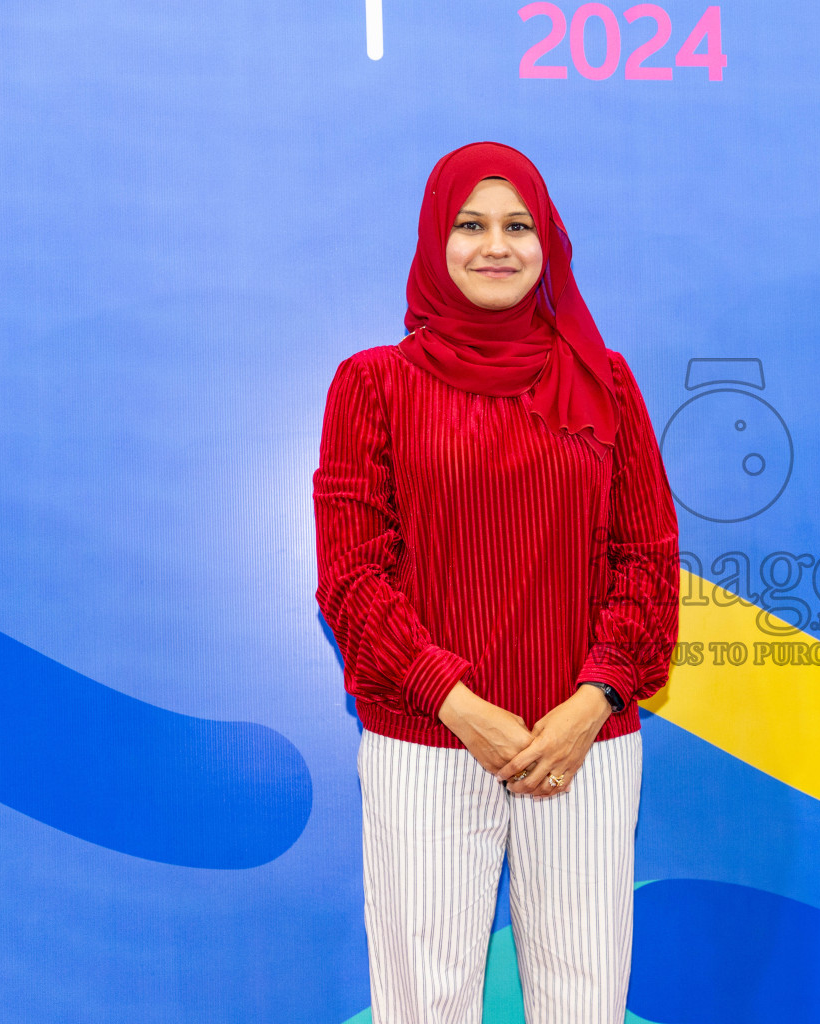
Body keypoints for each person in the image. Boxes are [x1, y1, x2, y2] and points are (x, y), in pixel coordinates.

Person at [313, 142, 678, 1024]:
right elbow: (352, 578)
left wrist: (591, 702)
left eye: (518, 226)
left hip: (583, 745)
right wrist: (460, 706)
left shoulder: (605, 380)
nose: (496, 246)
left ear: (547, 243)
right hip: (427, 742)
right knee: (423, 1002)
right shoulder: (372, 384)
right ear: (436, 240)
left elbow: (648, 558)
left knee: (584, 1000)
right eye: (471, 225)